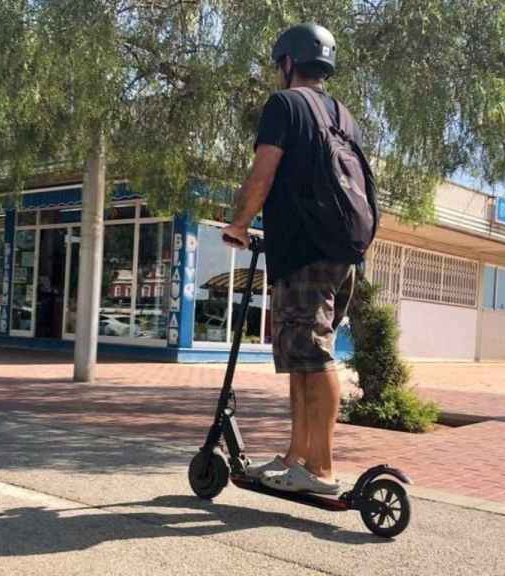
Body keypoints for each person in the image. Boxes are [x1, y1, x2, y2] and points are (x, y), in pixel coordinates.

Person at [222, 23, 367, 495]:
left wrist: (239, 224)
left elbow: (263, 172)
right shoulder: (343, 116)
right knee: (301, 354)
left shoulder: (284, 105)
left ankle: (321, 470)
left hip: (306, 251)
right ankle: (296, 457)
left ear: (288, 62)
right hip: (340, 251)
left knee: (314, 353)